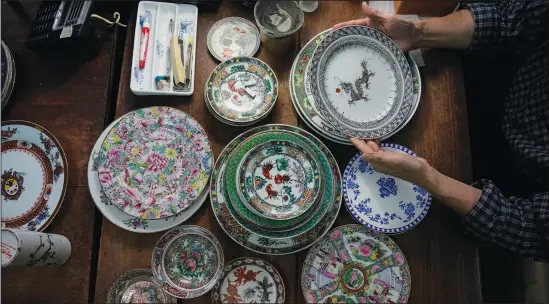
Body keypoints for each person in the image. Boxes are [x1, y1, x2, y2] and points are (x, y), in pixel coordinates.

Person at [334, 0, 548, 262]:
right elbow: (515, 18)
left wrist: (430, 179)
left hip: (519, 180)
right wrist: (418, 32)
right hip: (496, 79)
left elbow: (532, 229)